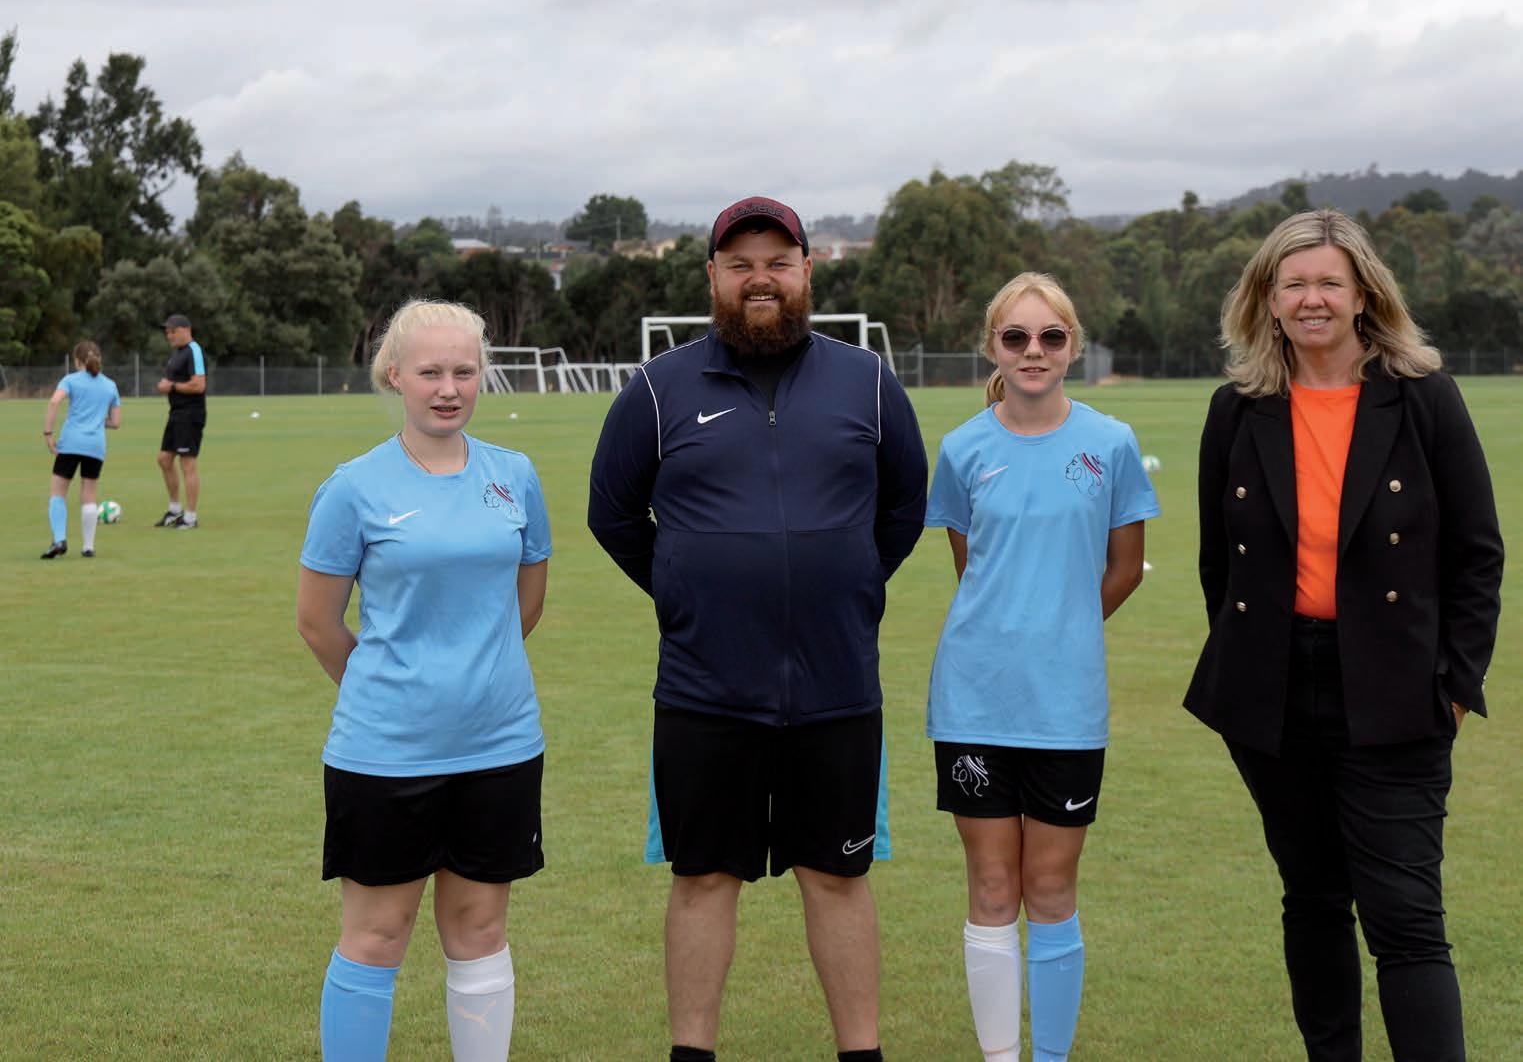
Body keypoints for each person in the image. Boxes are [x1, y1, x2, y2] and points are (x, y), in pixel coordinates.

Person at [587, 196, 928, 1062]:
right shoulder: (658, 388)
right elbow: (612, 514)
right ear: (713, 277)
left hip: (836, 687)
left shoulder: (867, 382)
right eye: (740, 264)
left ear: (807, 270)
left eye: (777, 262)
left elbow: (902, 509)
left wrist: (847, 582)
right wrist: (687, 591)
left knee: (838, 876)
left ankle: (861, 1054)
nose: (760, 278)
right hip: (705, 688)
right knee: (702, 877)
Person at [1187, 209, 1504, 1061]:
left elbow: (1477, 554)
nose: (1311, 299)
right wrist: (1251, 662)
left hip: (1397, 690)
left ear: (1364, 294)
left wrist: (1455, 685)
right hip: (1274, 694)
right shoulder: (1237, 409)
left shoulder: (1423, 398)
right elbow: (1220, 566)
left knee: (1405, 919)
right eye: (1292, 283)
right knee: (1313, 900)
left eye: (1329, 281)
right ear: (1267, 299)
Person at [296, 299, 551, 1062]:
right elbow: (318, 622)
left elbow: (525, 603)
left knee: (480, 930)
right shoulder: (353, 487)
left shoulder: (514, 476)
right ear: (394, 376)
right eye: (430, 372)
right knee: (376, 936)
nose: (448, 389)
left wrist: (471, 673)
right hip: (385, 753)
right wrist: (393, 688)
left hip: (500, 745)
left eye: (464, 372)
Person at [924, 273, 1158, 1062]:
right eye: (1016, 337)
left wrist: (1060, 631)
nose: (1033, 351)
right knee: (991, 887)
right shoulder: (962, 449)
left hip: (1064, 705)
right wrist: (1014, 632)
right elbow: (973, 569)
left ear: (1072, 347)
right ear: (992, 346)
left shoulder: (1110, 443)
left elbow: (1123, 569)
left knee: (1051, 888)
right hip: (972, 700)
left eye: (1050, 337)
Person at [41, 340, 122, 559]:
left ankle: (59, 540)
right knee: (89, 495)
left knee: (58, 493)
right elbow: (115, 422)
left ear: (77, 361)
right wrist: (97, 420)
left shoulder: (70, 380)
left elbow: (54, 402)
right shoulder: (111, 385)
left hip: (70, 443)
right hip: (96, 445)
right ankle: (88, 547)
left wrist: (48, 433)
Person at [153, 313, 207, 528]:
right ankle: (175, 510)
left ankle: (191, 517)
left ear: (186, 330)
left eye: (173, 331)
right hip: (176, 413)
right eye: (167, 332)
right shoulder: (177, 353)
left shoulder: (194, 350)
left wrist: (172, 386)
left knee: (187, 463)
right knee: (164, 459)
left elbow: (199, 385)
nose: (169, 335)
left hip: (190, 414)